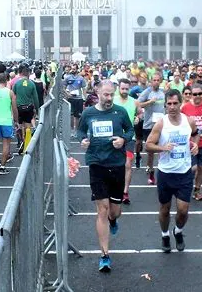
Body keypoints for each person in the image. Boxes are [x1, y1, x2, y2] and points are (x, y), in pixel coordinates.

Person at [77, 80, 134, 272]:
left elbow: (131, 130)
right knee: (102, 209)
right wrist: (83, 140)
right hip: (96, 164)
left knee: (114, 211)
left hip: (116, 164)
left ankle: (113, 220)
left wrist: (123, 139)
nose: (109, 98)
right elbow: (80, 130)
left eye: (112, 95)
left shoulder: (120, 112)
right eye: (106, 94)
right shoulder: (88, 113)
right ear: (97, 93)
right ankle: (104, 255)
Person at [145, 89, 199, 252]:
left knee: (183, 210)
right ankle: (165, 234)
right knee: (165, 208)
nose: (172, 107)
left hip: (184, 173)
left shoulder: (189, 121)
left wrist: (194, 144)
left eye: (175, 103)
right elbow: (148, 145)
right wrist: (163, 148)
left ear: (181, 103)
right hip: (166, 173)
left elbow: (196, 135)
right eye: (169, 104)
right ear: (165, 105)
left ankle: (178, 231)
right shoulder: (161, 123)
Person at [181, 84, 202, 201]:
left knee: (201, 169)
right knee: (193, 168)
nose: (197, 96)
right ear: (191, 95)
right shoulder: (185, 108)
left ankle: (197, 190)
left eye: (199, 94)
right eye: (194, 94)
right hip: (190, 143)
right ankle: (186, 186)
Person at [113, 78, 141, 204]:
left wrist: (138, 118)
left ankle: (125, 192)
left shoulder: (134, 102)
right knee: (114, 164)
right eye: (122, 88)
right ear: (118, 88)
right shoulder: (113, 100)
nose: (124, 91)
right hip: (114, 137)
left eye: (126, 89)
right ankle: (114, 189)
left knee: (128, 164)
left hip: (129, 138)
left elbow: (140, 114)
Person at [138, 73, 166, 185]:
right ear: (151, 81)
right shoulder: (147, 92)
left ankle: (162, 172)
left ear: (160, 81)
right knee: (150, 151)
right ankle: (150, 171)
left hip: (161, 125)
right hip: (149, 125)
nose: (156, 82)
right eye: (154, 80)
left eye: (158, 80)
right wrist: (150, 102)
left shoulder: (163, 92)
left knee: (161, 149)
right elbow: (138, 104)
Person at [12, 65, 39, 154]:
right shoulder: (31, 83)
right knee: (28, 125)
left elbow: (12, 96)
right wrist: (37, 109)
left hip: (19, 107)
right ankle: (27, 144)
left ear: (21, 73)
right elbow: (35, 98)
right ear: (27, 73)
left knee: (19, 125)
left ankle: (21, 140)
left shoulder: (16, 83)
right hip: (28, 107)